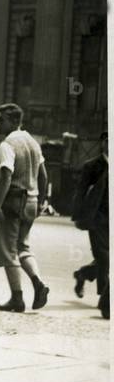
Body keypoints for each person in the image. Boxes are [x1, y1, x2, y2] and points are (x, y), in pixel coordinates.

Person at [0, 103, 49, 312]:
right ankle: (38, 283)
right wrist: (41, 201)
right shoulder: (33, 142)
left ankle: (17, 298)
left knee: (8, 251)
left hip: (14, 201)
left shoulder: (7, 144)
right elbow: (43, 176)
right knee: (23, 247)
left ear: (15, 121)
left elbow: (6, 175)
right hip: (31, 201)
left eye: (2, 119)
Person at [72, 131, 108, 319]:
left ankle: (83, 275)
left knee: (106, 258)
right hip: (97, 219)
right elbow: (81, 191)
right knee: (104, 256)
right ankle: (106, 299)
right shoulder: (92, 166)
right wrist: (78, 216)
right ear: (102, 143)